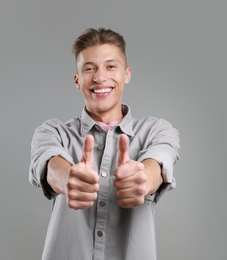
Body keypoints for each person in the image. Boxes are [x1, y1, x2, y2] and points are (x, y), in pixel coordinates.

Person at [29, 28, 180, 260]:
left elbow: (160, 161)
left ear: (126, 74)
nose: (100, 77)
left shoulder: (157, 130)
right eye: (89, 68)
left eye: (111, 66)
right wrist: (68, 179)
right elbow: (50, 164)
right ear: (77, 80)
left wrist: (144, 178)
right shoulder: (52, 131)